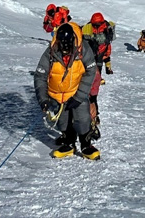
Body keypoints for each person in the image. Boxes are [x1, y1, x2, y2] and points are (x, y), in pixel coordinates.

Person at [34, 21, 100, 159]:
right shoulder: (50, 52)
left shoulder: (83, 48)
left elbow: (91, 70)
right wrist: (43, 99)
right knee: (63, 120)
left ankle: (86, 145)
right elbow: (40, 74)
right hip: (57, 94)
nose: (65, 49)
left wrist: (80, 95)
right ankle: (69, 143)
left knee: (82, 118)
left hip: (76, 91)